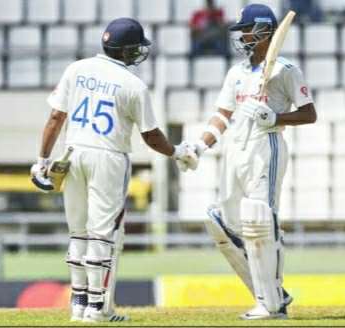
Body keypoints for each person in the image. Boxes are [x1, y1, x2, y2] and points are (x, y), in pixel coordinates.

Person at [30, 18, 196, 323]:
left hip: (72, 152)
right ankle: (96, 309)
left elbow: (56, 117)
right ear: (127, 49)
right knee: (103, 235)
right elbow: (151, 136)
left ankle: (78, 304)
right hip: (109, 157)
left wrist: (41, 160)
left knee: (78, 232)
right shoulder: (134, 85)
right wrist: (177, 153)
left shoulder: (76, 69)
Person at [178, 3, 317, 320]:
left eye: (245, 30)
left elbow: (310, 114)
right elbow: (222, 116)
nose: (240, 36)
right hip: (234, 151)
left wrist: (275, 117)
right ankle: (272, 293)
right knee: (219, 222)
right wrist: (200, 146)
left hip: (265, 146)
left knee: (259, 219)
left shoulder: (285, 70)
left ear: (263, 30)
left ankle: (270, 304)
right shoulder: (236, 73)